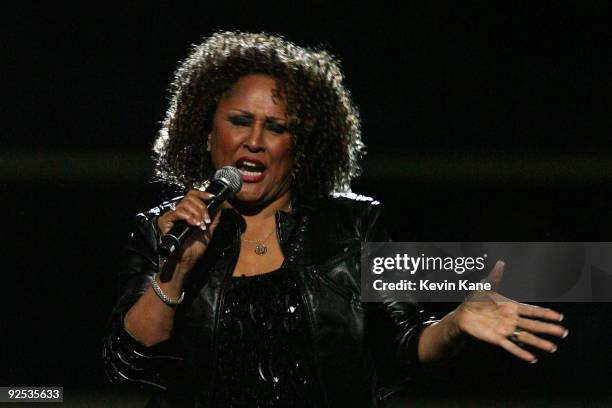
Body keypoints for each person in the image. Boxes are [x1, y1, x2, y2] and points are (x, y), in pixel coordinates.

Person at [102, 31, 567, 408]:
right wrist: (177, 270)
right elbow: (130, 363)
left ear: (299, 150)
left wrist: (455, 324)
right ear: (206, 134)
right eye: (240, 121)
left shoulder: (354, 225)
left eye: (277, 127)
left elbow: (402, 347)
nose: (255, 140)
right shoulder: (162, 230)